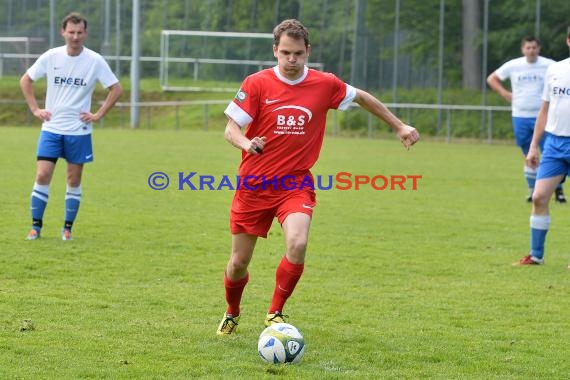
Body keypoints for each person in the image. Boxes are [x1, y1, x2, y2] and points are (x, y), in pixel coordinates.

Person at [216, 19, 420, 335]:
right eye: (285, 53)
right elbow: (231, 128)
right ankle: (232, 312)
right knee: (239, 262)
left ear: (308, 50)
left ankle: (275, 313)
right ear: (275, 51)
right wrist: (246, 143)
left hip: (295, 183)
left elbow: (363, 97)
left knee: (297, 243)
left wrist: (398, 125)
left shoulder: (325, 84)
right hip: (254, 185)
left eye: (298, 53)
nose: (292, 59)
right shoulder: (257, 83)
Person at [20, 12, 122, 241]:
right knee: (42, 174)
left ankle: (67, 228)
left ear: (85, 33)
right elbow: (25, 80)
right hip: (51, 128)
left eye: (79, 32)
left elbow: (116, 88)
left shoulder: (94, 60)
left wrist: (98, 114)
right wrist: (36, 109)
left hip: (79, 130)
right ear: (63, 32)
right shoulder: (51, 56)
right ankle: (35, 227)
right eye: (71, 32)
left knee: (73, 179)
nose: (75, 36)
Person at [487, 36, 566, 203]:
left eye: (534, 47)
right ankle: (532, 191)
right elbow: (492, 78)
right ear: (523, 49)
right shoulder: (514, 65)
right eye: (528, 47)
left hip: (545, 116)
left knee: (550, 155)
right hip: (520, 116)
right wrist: (505, 93)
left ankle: (558, 191)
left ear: (539, 49)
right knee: (528, 154)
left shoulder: (550, 65)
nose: (531, 50)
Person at [516, 26, 570, 266]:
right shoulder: (555, 70)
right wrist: (533, 146)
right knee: (538, 197)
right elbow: (545, 109)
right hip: (555, 144)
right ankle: (536, 255)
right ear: (568, 41)